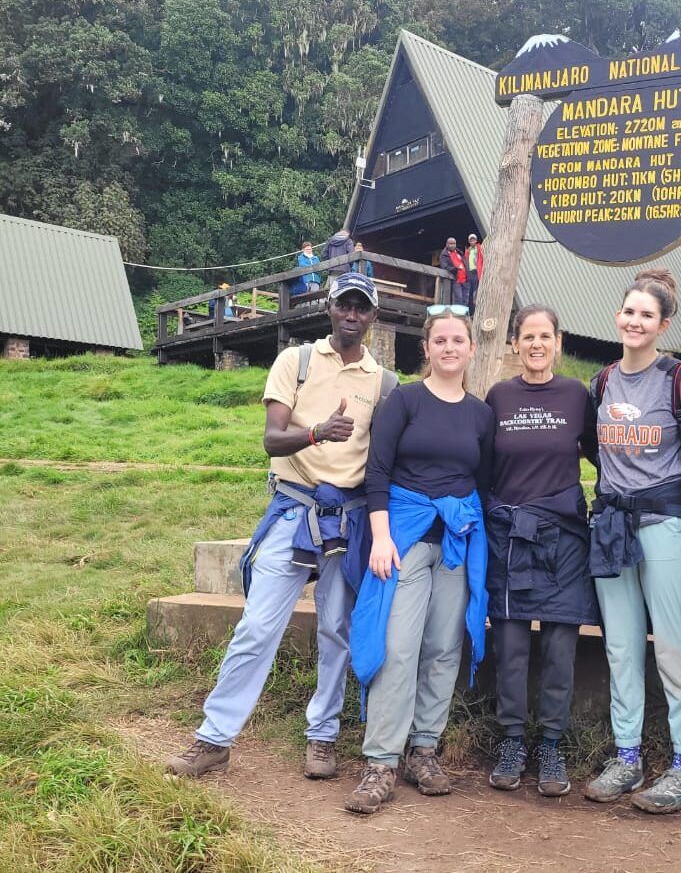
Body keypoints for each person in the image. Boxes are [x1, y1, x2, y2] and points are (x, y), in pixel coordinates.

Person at [166, 273, 390, 781]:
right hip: (294, 510)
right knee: (258, 626)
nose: (352, 315)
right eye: (344, 306)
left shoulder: (382, 381)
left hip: (348, 519)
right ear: (330, 310)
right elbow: (271, 439)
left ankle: (323, 736)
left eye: (362, 308)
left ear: (373, 317)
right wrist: (316, 432)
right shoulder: (297, 361)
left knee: (338, 629)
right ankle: (214, 739)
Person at [345, 306, 494, 815]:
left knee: (444, 648)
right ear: (426, 349)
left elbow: (486, 483)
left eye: (459, 340)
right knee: (399, 645)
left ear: (471, 349)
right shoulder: (404, 401)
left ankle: (424, 749)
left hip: (456, 542)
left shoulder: (480, 414)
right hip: (404, 537)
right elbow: (377, 472)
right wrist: (381, 538)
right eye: (441, 341)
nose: (450, 348)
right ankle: (381, 760)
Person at [582, 271, 681, 814]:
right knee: (621, 646)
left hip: (667, 524)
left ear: (663, 324)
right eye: (628, 312)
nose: (634, 322)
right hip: (612, 524)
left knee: (677, 647)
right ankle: (627, 756)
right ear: (618, 316)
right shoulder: (604, 380)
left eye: (646, 315)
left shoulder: (679, 379)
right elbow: (594, 447)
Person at [484, 305, 599, 797]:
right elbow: (483, 465)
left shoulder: (577, 395)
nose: (535, 344)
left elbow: (603, 452)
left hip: (563, 538)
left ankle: (551, 744)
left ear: (558, 341)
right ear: (515, 343)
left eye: (544, 336)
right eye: (527, 336)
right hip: (510, 536)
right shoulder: (499, 396)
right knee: (509, 644)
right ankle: (512, 738)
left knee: (559, 645)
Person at [439, 237, 468, 307]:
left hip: (465, 279)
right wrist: (456, 268)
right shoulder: (444, 255)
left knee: (466, 299)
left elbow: (466, 264)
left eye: (454, 243)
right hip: (455, 279)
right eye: (450, 243)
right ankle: (459, 316)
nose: (452, 245)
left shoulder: (459, 252)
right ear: (447, 244)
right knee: (459, 299)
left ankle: (465, 316)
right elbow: (445, 266)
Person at [464, 233, 484, 316]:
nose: (472, 241)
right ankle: (469, 312)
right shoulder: (468, 251)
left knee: (476, 292)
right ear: (469, 241)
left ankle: (476, 312)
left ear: (476, 240)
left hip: (477, 272)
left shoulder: (480, 248)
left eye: (473, 239)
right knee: (469, 293)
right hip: (469, 273)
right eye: (471, 240)